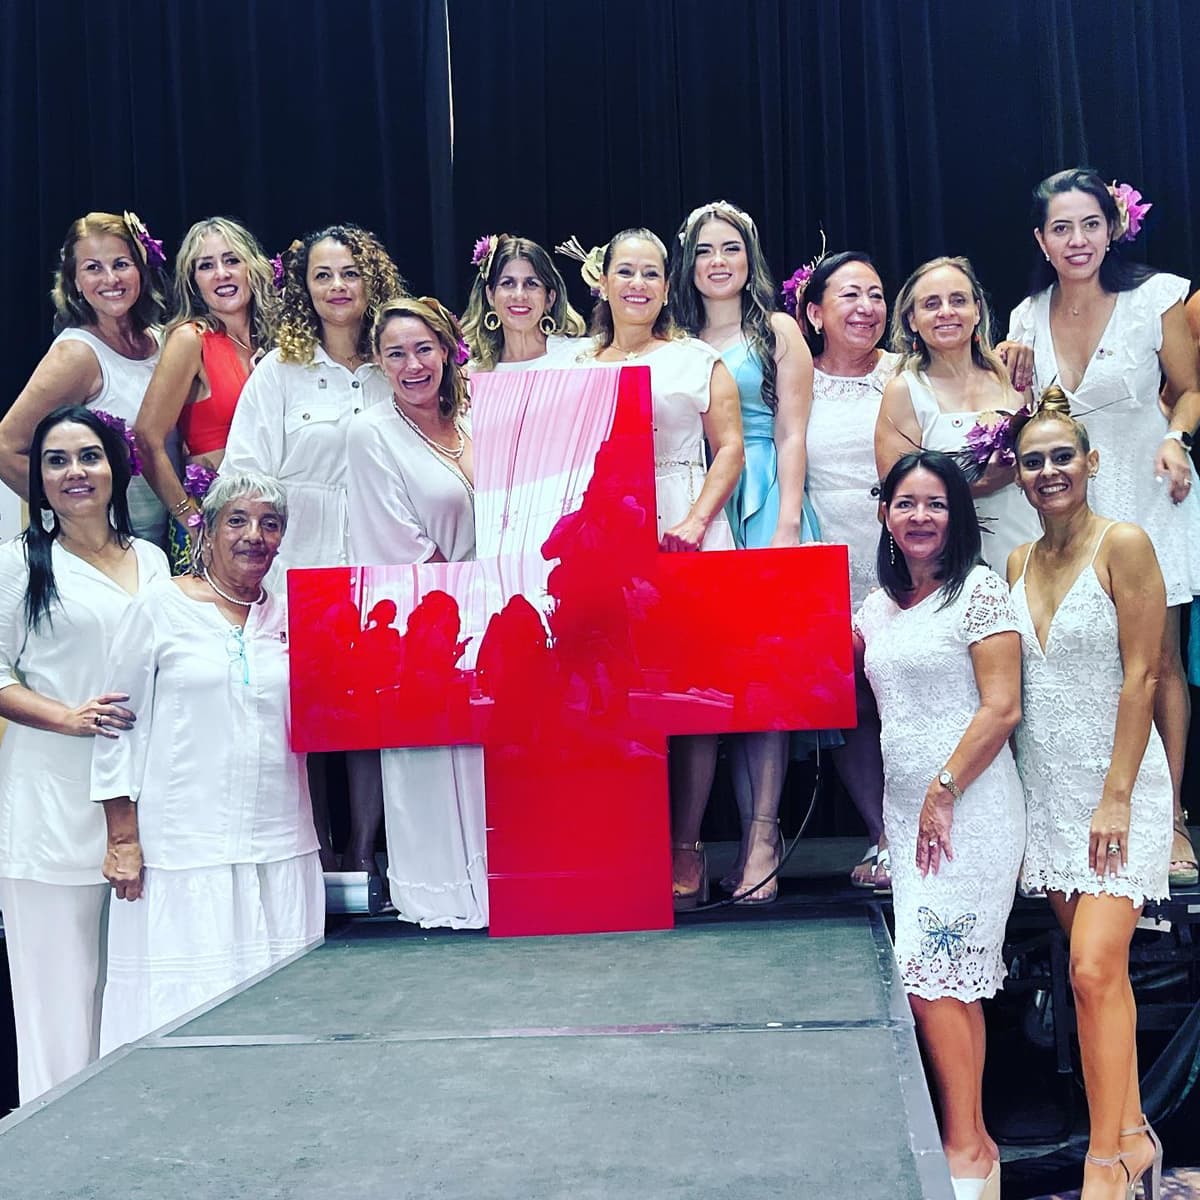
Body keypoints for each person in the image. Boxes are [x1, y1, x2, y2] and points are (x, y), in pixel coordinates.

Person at [1007, 168, 1200, 889]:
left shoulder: (1157, 297)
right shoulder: (1025, 316)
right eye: (1061, 227)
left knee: (1161, 662)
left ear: (1112, 226)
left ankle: (1172, 815)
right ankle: (1073, 806)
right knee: (1076, 666)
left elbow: (1188, 390)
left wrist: (1177, 437)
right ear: (1041, 240)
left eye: (1090, 223)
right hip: (1065, 504)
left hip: (1150, 491)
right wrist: (1008, 375)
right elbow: (1020, 423)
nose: (1077, 239)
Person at [92, 471, 324, 1050]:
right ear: (209, 530)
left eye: (270, 524)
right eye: (238, 521)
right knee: (185, 1017)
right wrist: (123, 838)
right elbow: (116, 729)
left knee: (284, 1012)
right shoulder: (159, 607)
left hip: (280, 845)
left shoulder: (295, 617)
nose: (255, 536)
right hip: (184, 853)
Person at [1008, 390, 1169, 1200]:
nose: (1048, 471)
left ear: (1092, 462)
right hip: (1049, 790)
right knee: (1098, 982)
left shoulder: (1126, 543)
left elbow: (1144, 677)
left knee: (1091, 969)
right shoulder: (1015, 563)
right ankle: (1135, 1135)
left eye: (1062, 456)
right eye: (1033, 461)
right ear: (1019, 476)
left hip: (1117, 787)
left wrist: (1117, 797)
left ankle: (1103, 1164)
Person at [855, 450, 1023, 1199]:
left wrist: (946, 787)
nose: (919, 517)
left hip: (970, 811)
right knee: (940, 981)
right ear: (886, 515)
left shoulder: (980, 593)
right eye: (905, 504)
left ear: (956, 517)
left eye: (935, 505)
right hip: (907, 816)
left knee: (935, 977)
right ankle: (978, 1149)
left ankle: (965, 1149)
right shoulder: (877, 607)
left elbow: (1002, 707)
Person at [566, 226, 744, 907]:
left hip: (683, 525)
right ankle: (624, 836)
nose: (637, 284)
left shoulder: (697, 360)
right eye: (626, 272)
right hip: (604, 538)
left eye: (651, 273)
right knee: (615, 692)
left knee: (688, 694)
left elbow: (729, 448)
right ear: (603, 282)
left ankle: (688, 842)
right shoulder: (578, 367)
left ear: (667, 287)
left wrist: (696, 520)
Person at [222, 224, 405, 876]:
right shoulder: (280, 372)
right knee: (308, 713)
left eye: (350, 273)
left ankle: (364, 852)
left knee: (375, 717)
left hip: (386, 562)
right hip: (303, 563)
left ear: (371, 281)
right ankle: (315, 851)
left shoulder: (397, 362)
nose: (337, 287)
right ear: (304, 288)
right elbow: (245, 473)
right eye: (323, 275)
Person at [0, 406, 168, 1102]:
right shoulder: (17, 563)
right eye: (57, 461)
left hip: (148, 806)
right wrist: (65, 717)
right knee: (60, 1002)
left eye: (89, 456)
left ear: (116, 467)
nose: (76, 473)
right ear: (37, 481)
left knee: (133, 994)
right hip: (52, 805)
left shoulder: (153, 559)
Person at [668, 199, 813, 904]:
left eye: (730, 248)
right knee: (713, 688)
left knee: (767, 688)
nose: (717, 262)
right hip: (691, 504)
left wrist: (785, 525)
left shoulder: (778, 332)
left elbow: (790, 434)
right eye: (704, 250)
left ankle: (762, 838)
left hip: (761, 504)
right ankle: (702, 843)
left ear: (750, 257)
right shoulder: (672, 336)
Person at [346, 296, 485, 928]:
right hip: (432, 631)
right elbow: (397, 542)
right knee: (432, 764)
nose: (412, 365)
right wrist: (471, 599)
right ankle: (440, 896)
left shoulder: (479, 416)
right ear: (377, 362)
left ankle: (498, 886)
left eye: (423, 348)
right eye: (395, 353)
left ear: (447, 349)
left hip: (504, 617)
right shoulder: (370, 433)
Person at [801, 249, 900, 890]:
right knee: (855, 706)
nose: (866, 308)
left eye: (875, 293)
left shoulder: (905, 372)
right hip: (826, 557)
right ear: (813, 312)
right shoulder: (791, 380)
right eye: (849, 296)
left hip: (904, 550)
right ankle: (883, 834)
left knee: (914, 694)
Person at [0, 211, 174, 546]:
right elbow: (6, 448)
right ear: (76, 281)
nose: (111, 279)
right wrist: (72, 516)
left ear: (141, 268)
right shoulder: (77, 354)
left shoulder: (163, 341)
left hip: (163, 543)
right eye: (93, 268)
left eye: (121, 263)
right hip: (102, 551)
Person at [876, 256, 1041, 576]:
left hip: (1022, 545)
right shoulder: (904, 391)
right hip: (945, 563)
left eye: (958, 300)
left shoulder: (1013, 375)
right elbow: (894, 502)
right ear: (912, 319)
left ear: (977, 310)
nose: (946, 312)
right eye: (931, 304)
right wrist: (979, 484)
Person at [134, 217, 279, 561]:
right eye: (206, 266)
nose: (222, 273)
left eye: (232, 260)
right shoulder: (191, 339)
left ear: (252, 268)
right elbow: (145, 438)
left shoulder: (276, 343)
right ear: (193, 281)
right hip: (213, 527)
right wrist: (191, 519)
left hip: (269, 524)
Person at [460, 233, 585, 373]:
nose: (519, 295)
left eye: (531, 283)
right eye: (508, 283)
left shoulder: (579, 360)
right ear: (490, 295)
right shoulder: (473, 376)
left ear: (550, 298)